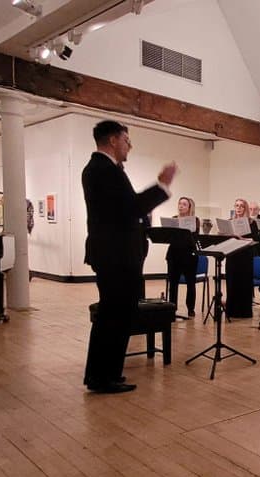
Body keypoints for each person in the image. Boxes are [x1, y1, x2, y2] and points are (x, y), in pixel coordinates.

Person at [82, 120, 176, 394]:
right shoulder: (102, 169)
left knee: (117, 315)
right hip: (116, 255)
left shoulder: (103, 169)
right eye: (126, 139)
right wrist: (162, 185)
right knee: (114, 316)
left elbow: (127, 207)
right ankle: (102, 377)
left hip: (116, 254)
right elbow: (132, 207)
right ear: (112, 140)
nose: (129, 145)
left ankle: (108, 373)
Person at [166, 196, 200, 318]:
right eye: (180, 204)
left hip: (189, 256)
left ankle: (190, 308)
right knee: (173, 283)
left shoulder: (194, 220)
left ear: (189, 207)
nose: (181, 206)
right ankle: (172, 308)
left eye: (184, 204)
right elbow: (168, 236)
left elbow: (195, 237)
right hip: (173, 254)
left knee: (191, 283)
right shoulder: (174, 219)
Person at [225, 198, 258, 319]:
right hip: (232, 255)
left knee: (244, 283)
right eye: (237, 205)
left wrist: (241, 238)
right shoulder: (230, 222)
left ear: (245, 208)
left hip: (245, 256)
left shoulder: (251, 222)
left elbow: (255, 239)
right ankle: (231, 310)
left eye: (241, 206)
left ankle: (244, 312)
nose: (238, 208)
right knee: (232, 282)